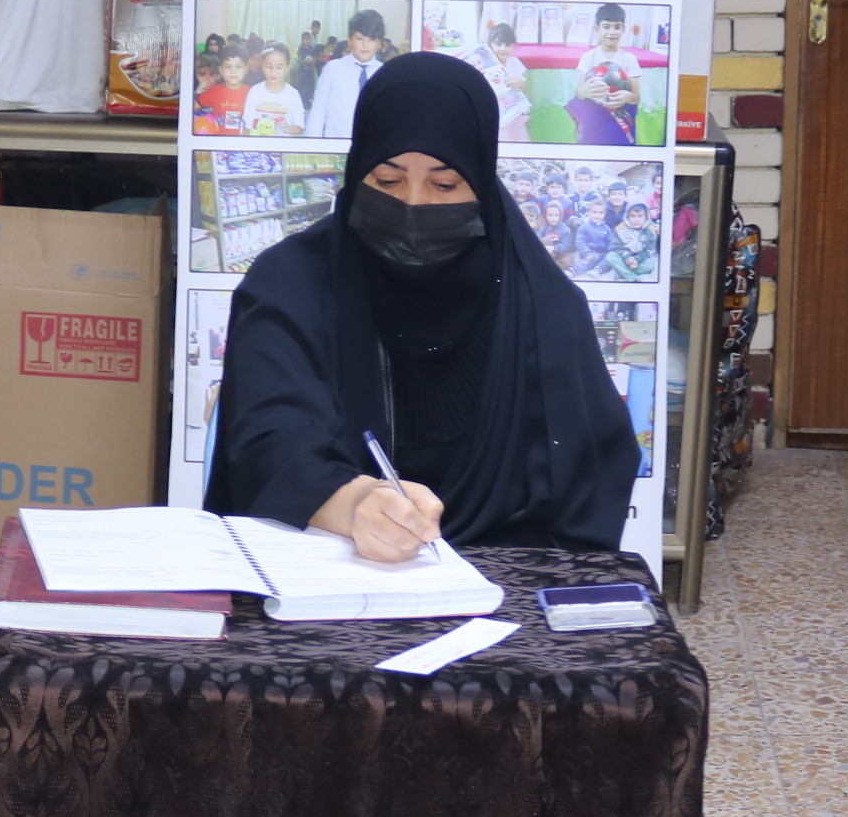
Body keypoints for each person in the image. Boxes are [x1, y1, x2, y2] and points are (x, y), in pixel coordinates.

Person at [205, 51, 639, 559]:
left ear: (481, 180)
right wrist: (356, 503)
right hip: (326, 561)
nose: (413, 204)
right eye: (388, 181)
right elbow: (267, 438)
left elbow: (587, 479)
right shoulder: (289, 282)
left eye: (444, 184)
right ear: (358, 170)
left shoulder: (542, 308)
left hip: (504, 576)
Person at [565, 6, 644, 145]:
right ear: (597, 29)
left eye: (617, 27)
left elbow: (636, 97)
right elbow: (579, 92)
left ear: (623, 29)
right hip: (594, 116)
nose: (611, 32)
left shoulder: (629, 59)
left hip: (619, 116)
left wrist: (626, 97)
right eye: (606, 27)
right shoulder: (588, 57)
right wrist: (585, 92)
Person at [308, 10, 389, 136]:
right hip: (336, 143)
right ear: (350, 40)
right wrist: (313, 144)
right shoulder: (333, 69)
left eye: (372, 39)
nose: (365, 45)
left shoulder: (385, 74)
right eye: (359, 39)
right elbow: (318, 110)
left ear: (379, 44)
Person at [463, 20, 532, 140]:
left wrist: (520, 83)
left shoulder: (514, 62)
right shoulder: (484, 65)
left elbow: (525, 87)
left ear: (513, 46)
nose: (503, 48)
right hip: (494, 112)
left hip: (514, 114)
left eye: (507, 45)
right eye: (499, 44)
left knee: (517, 139)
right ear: (490, 45)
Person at [241, 42, 308, 135]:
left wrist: (288, 128)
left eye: (279, 67)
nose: (273, 72)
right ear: (262, 65)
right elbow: (246, 126)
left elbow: (299, 127)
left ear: (287, 67)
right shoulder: (255, 91)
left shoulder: (293, 94)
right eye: (269, 67)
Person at [197, 46, 250, 131]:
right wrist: (197, 92)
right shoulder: (214, 92)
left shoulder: (252, 92)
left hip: (243, 139)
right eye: (228, 67)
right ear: (221, 70)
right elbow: (194, 107)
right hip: (219, 138)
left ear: (246, 69)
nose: (233, 71)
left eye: (238, 66)